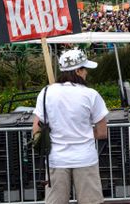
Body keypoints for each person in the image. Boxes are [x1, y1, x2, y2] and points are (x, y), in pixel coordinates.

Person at [33, 49, 109, 204]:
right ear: (78, 70)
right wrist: (84, 134)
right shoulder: (91, 94)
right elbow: (102, 132)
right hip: (85, 158)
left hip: (56, 158)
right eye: (85, 69)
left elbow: (36, 128)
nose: (86, 72)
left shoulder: (46, 92)